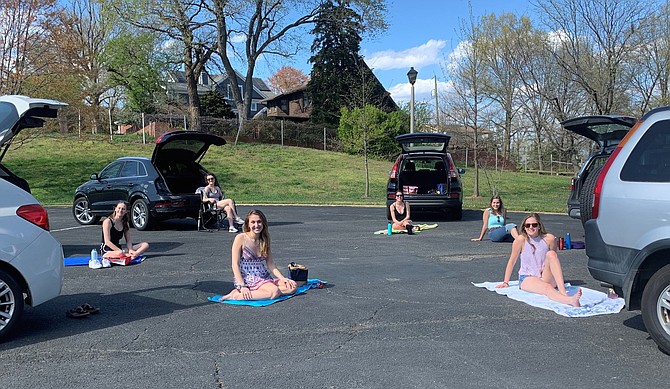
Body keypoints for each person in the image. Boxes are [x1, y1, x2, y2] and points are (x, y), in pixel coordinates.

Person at [496, 213, 582, 307]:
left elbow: (553, 260)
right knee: (547, 287)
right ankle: (569, 300)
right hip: (528, 277)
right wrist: (505, 282)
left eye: (534, 225)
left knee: (551, 254)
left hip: (544, 275)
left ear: (539, 226)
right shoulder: (520, 240)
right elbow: (512, 261)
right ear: (524, 227)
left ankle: (563, 292)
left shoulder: (549, 238)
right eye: (528, 225)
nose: (531, 227)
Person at [217, 210, 297, 301]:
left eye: (259, 222)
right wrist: (242, 285)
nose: (256, 225)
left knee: (291, 286)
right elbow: (235, 265)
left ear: (263, 223)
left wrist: (283, 279)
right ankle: (236, 296)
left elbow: (271, 264)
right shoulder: (241, 238)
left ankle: (253, 293)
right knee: (274, 291)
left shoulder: (264, 239)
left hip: (262, 276)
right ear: (248, 224)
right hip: (247, 277)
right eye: (253, 222)